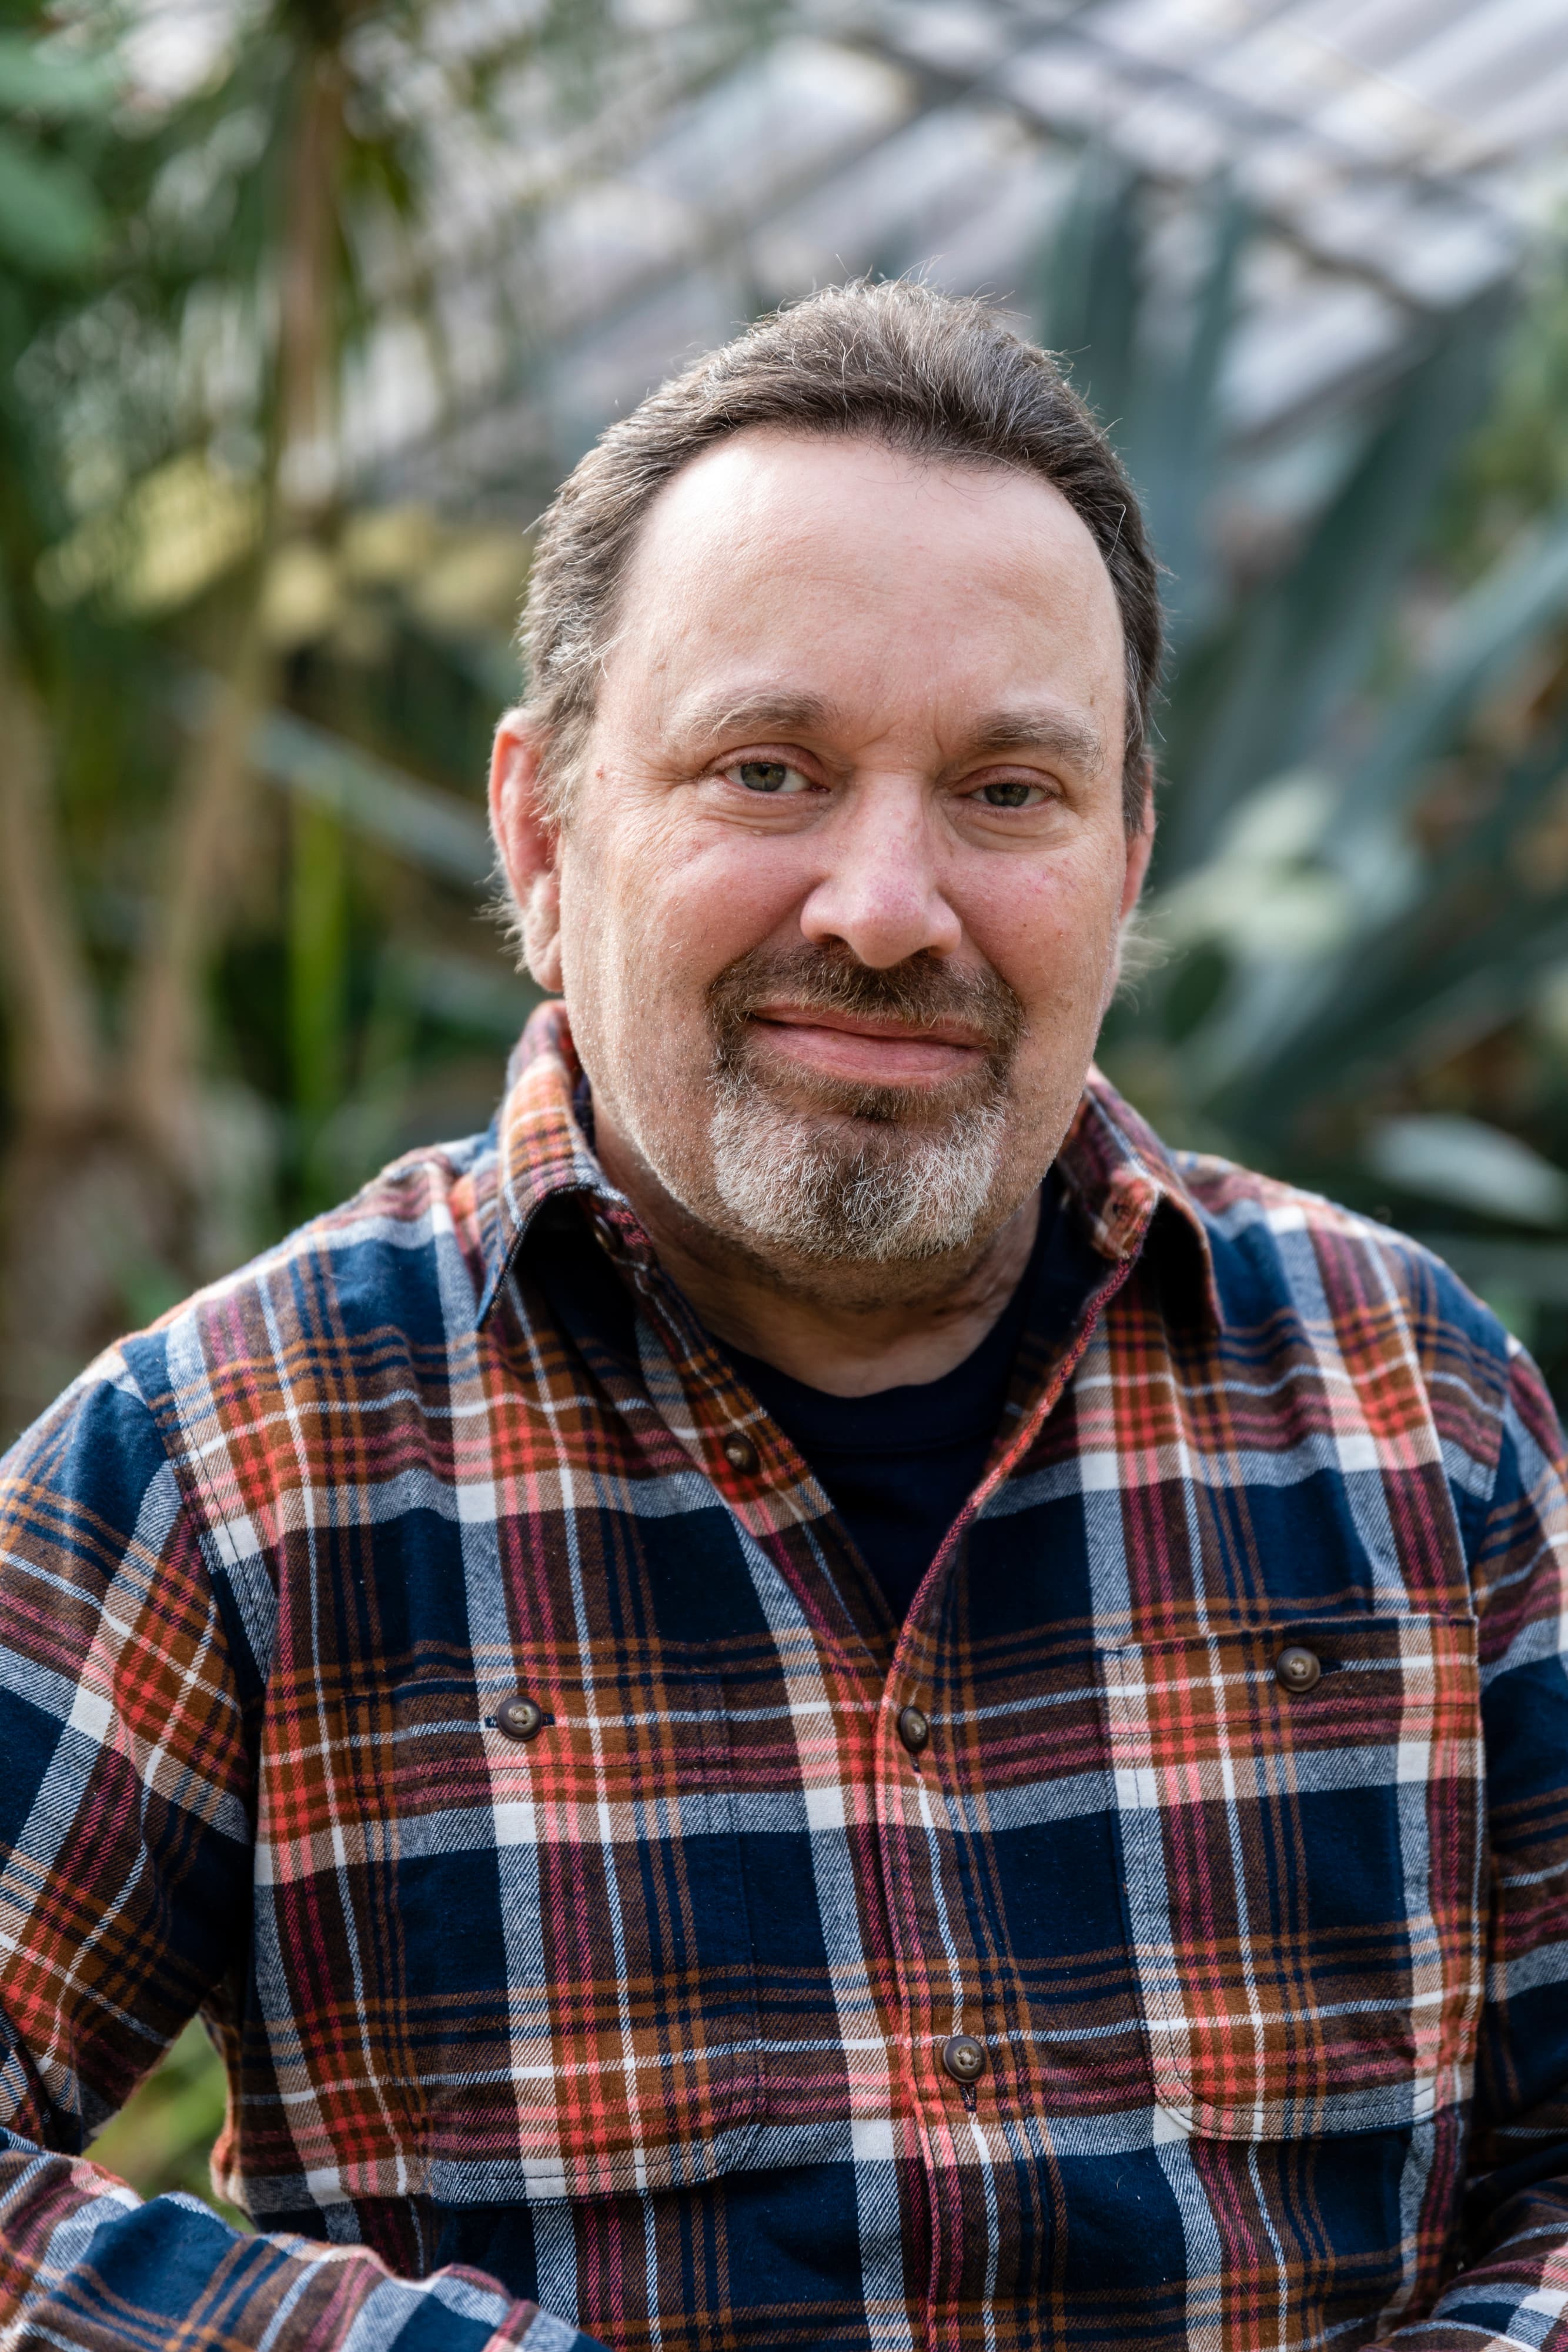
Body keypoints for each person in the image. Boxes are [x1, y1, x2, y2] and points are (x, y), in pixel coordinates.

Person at [1, 280, 1564, 2352]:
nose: (885, 905)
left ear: (1125, 859)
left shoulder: (1414, 1411)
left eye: (1008, 791)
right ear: (542, 831)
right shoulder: (237, 1457)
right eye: (768, 768)